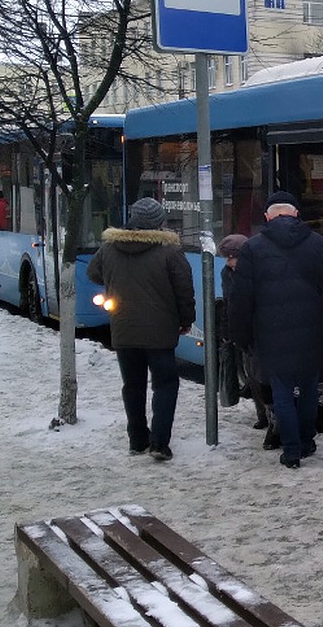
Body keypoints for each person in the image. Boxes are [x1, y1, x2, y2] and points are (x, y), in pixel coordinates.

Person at [230, 192, 323, 469]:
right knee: (307, 388)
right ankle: (306, 441)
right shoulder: (319, 244)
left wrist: (241, 336)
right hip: (312, 331)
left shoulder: (253, 248)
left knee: (281, 391)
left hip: (271, 333)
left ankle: (291, 451)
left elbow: (241, 299)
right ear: (296, 215)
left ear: (267, 217)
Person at [87, 197, 194, 461]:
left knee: (132, 386)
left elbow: (93, 272)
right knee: (165, 384)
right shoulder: (170, 251)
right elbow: (184, 289)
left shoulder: (110, 247)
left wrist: (116, 279)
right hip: (160, 332)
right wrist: (186, 319)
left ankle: (137, 439)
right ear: (159, 222)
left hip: (124, 330)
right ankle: (159, 442)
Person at [218, 233, 277, 445]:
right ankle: (263, 416)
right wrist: (227, 332)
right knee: (252, 377)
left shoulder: (258, 273)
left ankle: (273, 422)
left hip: (260, 333)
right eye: (227, 257)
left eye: (232, 256)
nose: (228, 261)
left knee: (263, 379)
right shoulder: (228, 274)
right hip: (243, 333)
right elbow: (228, 304)